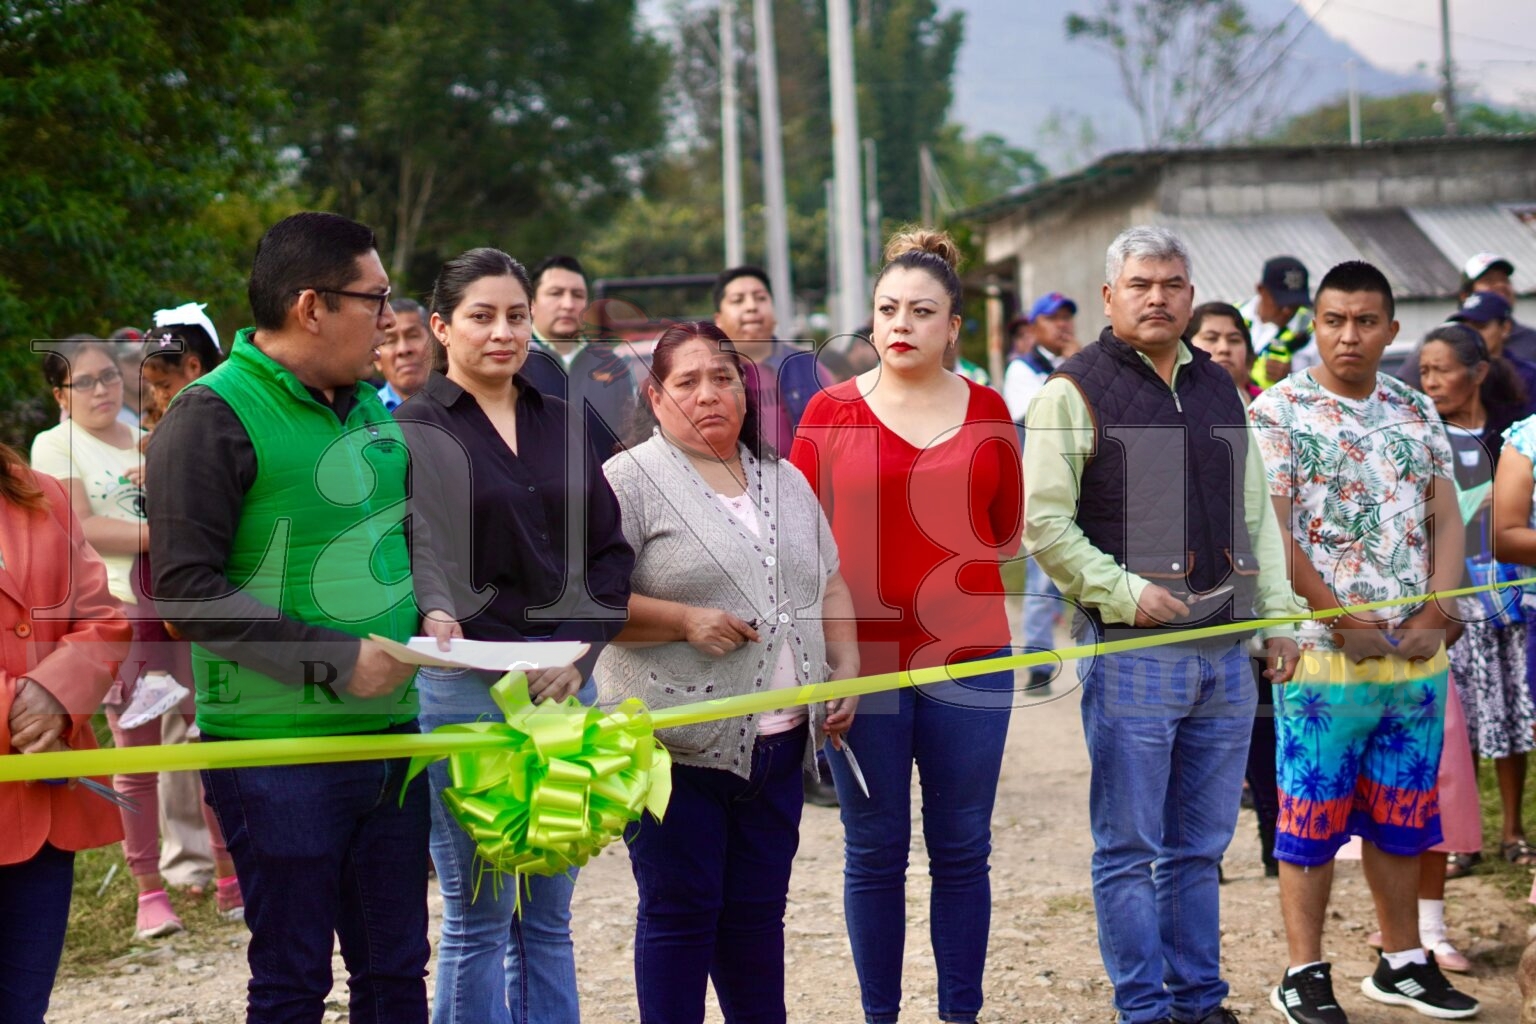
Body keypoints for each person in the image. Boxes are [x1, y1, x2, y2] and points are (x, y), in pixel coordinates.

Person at [147, 211, 456, 1023]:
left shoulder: (368, 408)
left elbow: (407, 530)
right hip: (274, 752)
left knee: (396, 973)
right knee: (293, 982)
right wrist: (339, 661)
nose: (389, 318)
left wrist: (436, 605)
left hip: (390, 738)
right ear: (312, 306)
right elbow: (185, 591)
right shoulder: (209, 413)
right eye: (374, 298)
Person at [1025, 226, 1304, 1024]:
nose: (1157, 297)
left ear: (1190, 295)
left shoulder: (1219, 386)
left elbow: (1255, 512)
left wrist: (1279, 620)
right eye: (1141, 284)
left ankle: (1198, 1002)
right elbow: (1044, 525)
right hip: (1133, 653)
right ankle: (1143, 1009)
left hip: (1224, 654)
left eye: (1172, 284)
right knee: (1128, 849)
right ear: (1109, 296)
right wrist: (1122, 592)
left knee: (1199, 847)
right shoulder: (1071, 393)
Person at [395, 247, 635, 1024]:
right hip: (467, 689)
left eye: (515, 316)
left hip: (565, 687)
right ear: (441, 327)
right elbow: (414, 548)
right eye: (482, 316)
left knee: (549, 918)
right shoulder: (415, 427)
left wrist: (577, 653)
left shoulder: (564, 419)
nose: (502, 332)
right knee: (479, 916)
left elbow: (609, 553)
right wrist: (432, 610)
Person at [790, 229, 1022, 1024]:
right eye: (888, 309)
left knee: (962, 850)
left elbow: (1005, 529)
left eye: (922, 311)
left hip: (971, 659)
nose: (901, 324)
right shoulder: (828, 413)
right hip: (861, 667)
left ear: (953, 326)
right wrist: (827, 661)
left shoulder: (989, 411)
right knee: (875, 851)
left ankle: (961, 1013)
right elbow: (799, 543)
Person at [599, 320, 858, 1024]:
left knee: (756, 918)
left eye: (722, 377)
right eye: (687, 382)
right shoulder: (627, 482)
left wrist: (845, 667)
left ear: (745, 390)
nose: (708, 394)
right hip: (671, 749)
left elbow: (830, 581)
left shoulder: (785, 480)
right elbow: (590, 605)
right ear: (656, 398)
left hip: (778, 747)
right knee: (680, 916)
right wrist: (683, 620)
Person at [1249, 261, 1478, 1022]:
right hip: (1323, 655)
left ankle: (1403, 961)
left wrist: (1439, 607)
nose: (1349, 335)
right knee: (1310, 817)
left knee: (1403, 812)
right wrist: (1338, 616)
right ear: (1315, 325)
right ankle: (1303, 972)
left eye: (1366, 321)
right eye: (1335, 320)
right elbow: (1273, 530)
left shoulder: (1414, 408)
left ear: (1391, 329)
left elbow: (1445, 513)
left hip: (1415, 653)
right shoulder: (1279, 410)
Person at [30, 337, 238, 938]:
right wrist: (175, 533)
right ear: (60, 395)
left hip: (184, 603)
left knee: (210, 740)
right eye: (85, 382)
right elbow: (82, 526)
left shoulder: (147, 433)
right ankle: (150, 891)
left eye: (108, 377)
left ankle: (231, 877)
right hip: (123, 613)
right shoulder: (55, 444)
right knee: (137, 754)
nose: (102, 390)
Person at [0, 441, 130, 1022]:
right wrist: (15, 706)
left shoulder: (41, 492)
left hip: (42, 809)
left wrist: (59, 693)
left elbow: (104, 617)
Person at [519, 254, 639, 456]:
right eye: (556, 293)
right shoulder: (514, 362)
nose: (568, 304)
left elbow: (630, 438)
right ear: (532, 303)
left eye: (577, 295)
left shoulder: (612, 366)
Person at [713, 265, 830, 456]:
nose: (751, 306)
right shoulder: (709, 375)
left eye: (760, 298)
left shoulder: (809, 367)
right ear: (718, 319)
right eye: (738, 300)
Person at [1001, 293, 1079, 426]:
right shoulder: (1021, 368)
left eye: (1066, 317)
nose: (1061, 324)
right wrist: (1074, 369)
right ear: (1033, 328)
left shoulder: (1085, 360)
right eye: (1052, 318)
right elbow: (1038, 420)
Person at [1242, 255, 1316, 391]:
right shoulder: (1232, 316)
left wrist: (1292, 378)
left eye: (1295, 304)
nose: (1287, 311)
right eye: (1281, 302)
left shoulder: (1314, 330)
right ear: (1260, 289)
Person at [1460, 252, 1536, 363]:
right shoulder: (1449, 340)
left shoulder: (1531, 341)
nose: (1501, 285)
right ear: (1465, 295)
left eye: (1505, 280)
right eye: (1489, 280)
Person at [1188, 301, 1258, 403]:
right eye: (1211, 338)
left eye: (1234, 340)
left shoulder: (1269, 405)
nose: (1224, 349)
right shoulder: (1171, 404)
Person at [375, 297, 434, 411]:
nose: (403, 349)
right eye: (390, 341)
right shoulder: (365, 416)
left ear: (435, 343)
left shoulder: (464, 404)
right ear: (377, 359)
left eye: (413, 336)